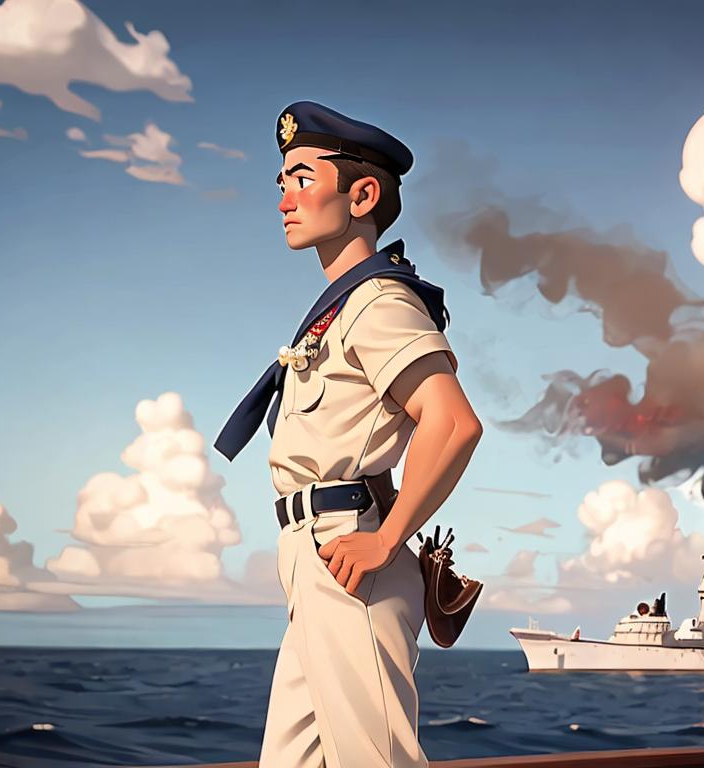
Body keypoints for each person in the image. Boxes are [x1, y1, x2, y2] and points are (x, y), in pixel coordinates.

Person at [214, 101, 482, 768]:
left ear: (362, 194)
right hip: (316, 555)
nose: (284, 199)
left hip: (347, 553)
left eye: (302, 178)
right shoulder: (338, 312)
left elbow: (452, 423)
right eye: (280, 182)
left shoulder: (377, 304)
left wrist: (385, 540)